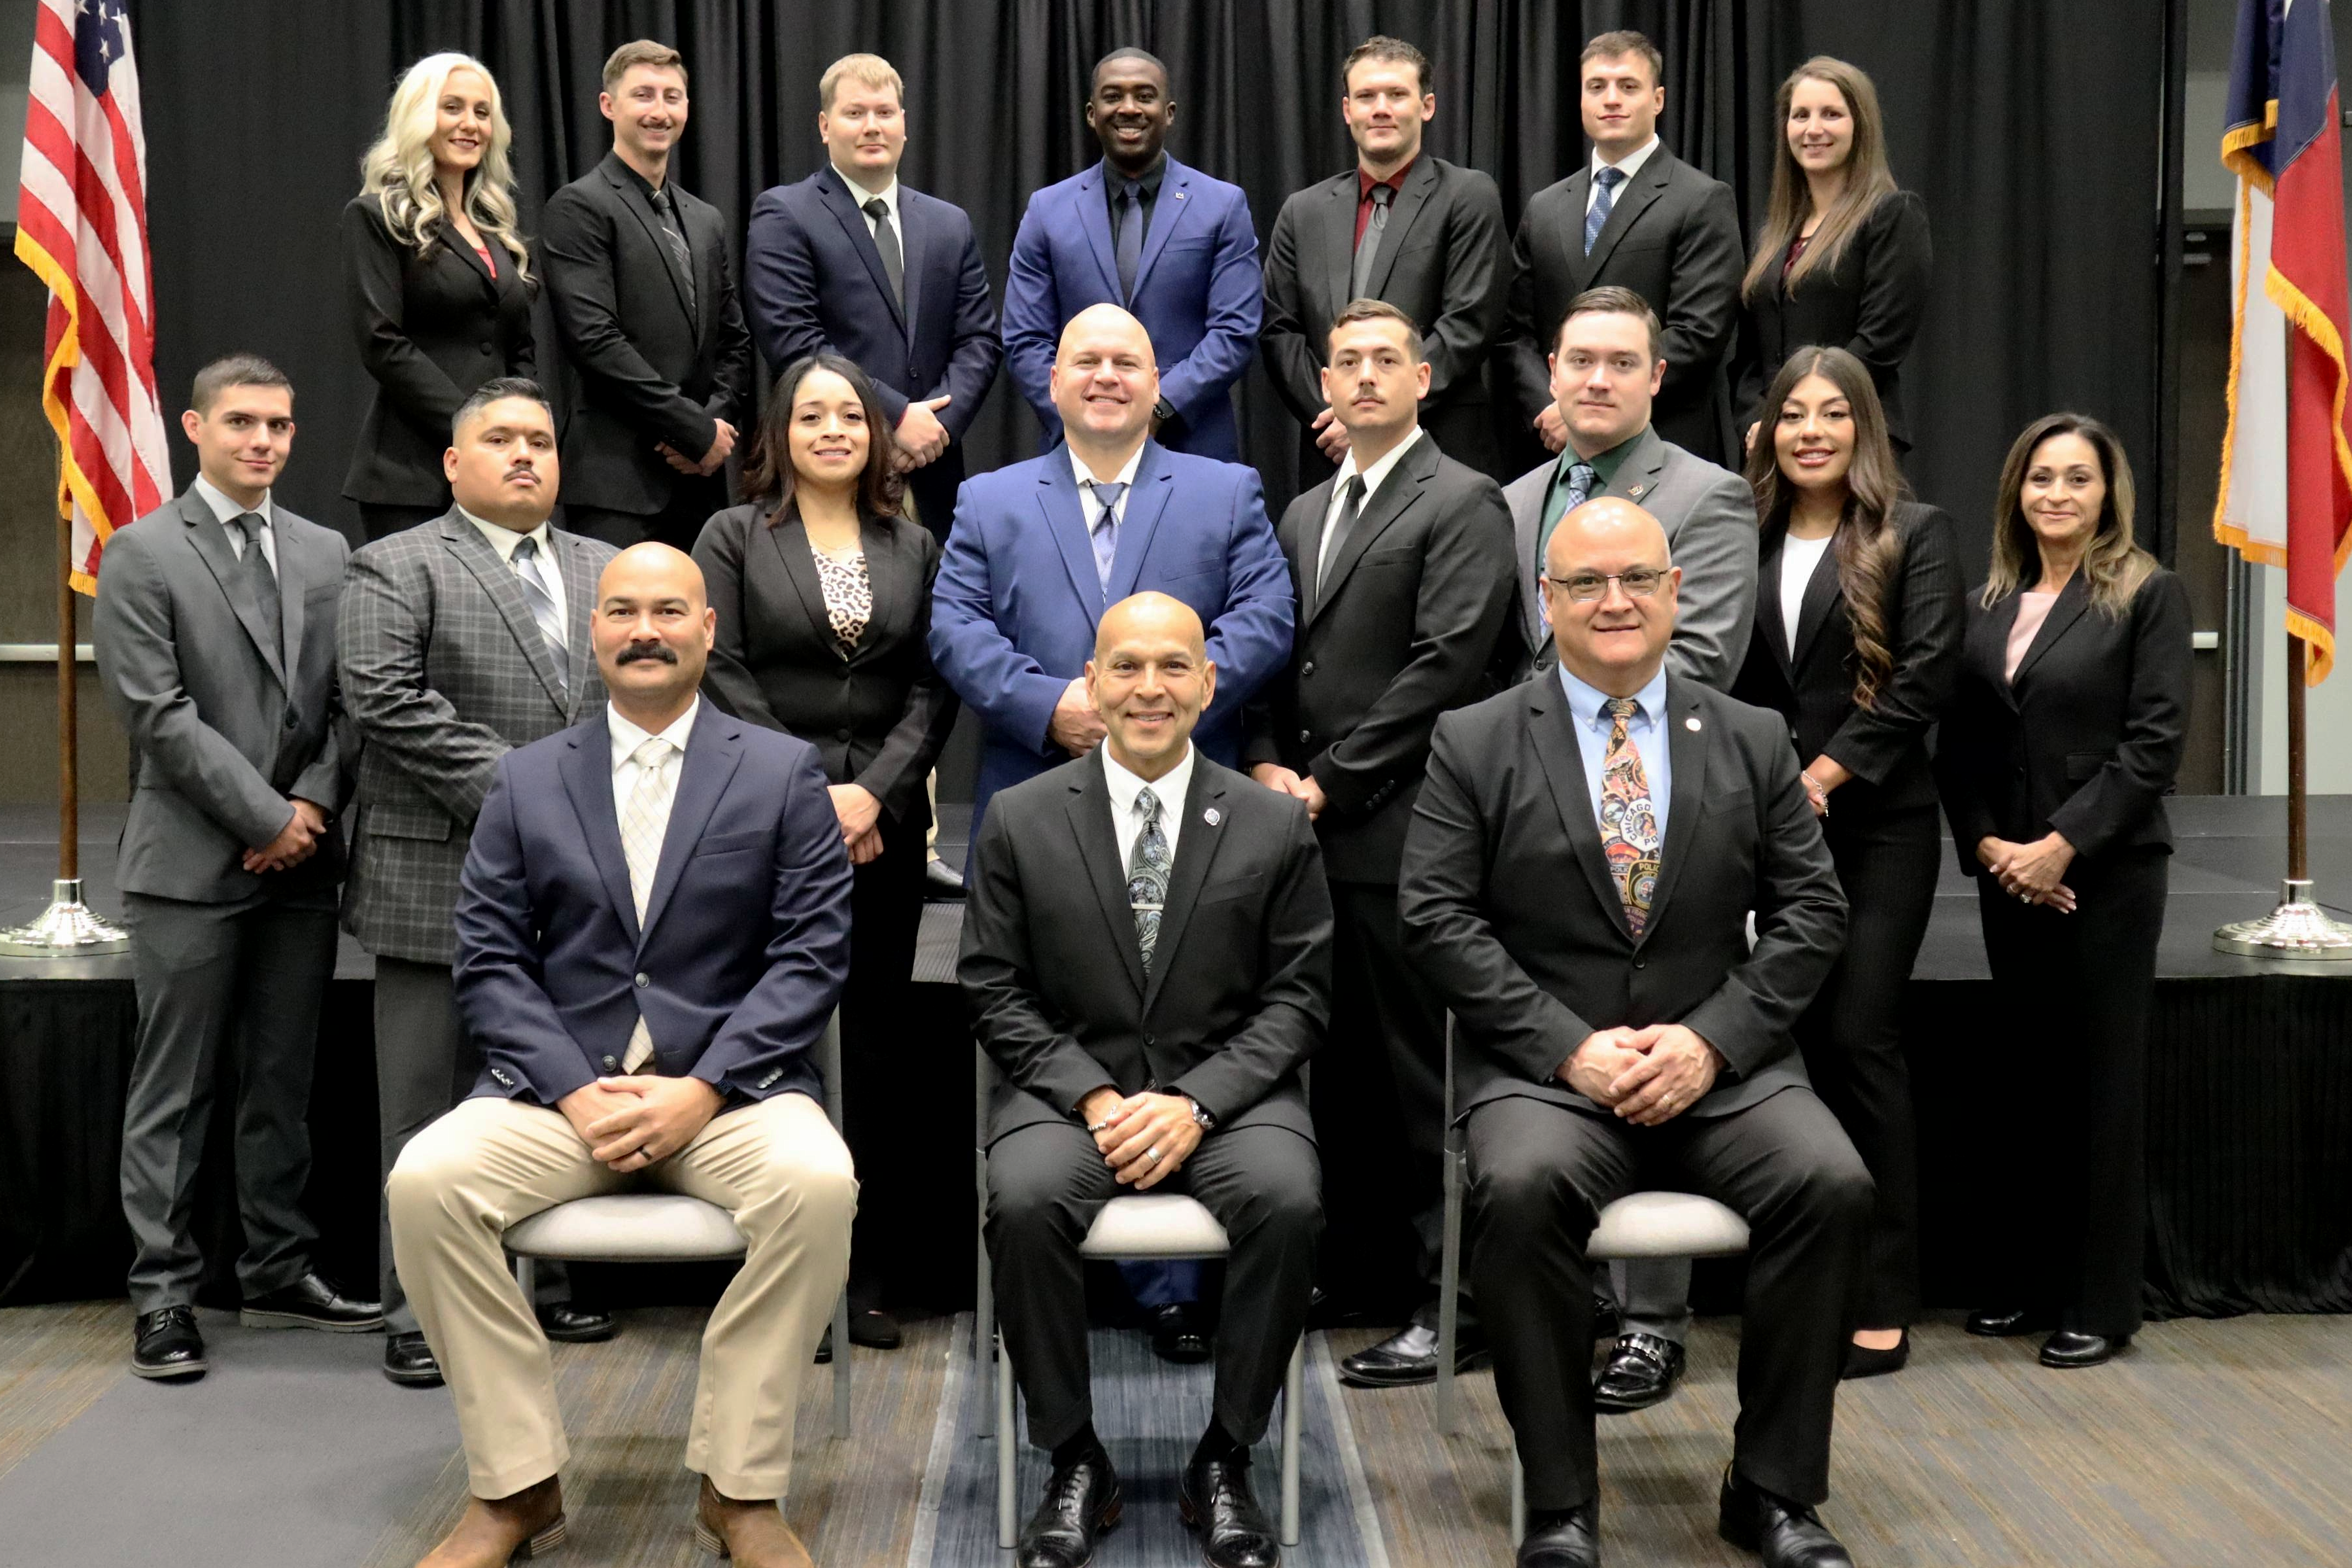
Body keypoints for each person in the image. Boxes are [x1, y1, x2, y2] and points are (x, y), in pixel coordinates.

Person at [1400, 496, 1868, 1568]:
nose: (1615, 602)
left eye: (1638, 580)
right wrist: (1570, 1045)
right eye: (1586, 584)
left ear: (1677, 592)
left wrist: (1710, 1042)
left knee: (1831, 1185)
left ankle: (1772, 1491)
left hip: (1723, 1071)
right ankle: (1560, 1502)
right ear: (1544, 601)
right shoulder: (1473, 742)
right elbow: (1433, 917)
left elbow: (1814, 913)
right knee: (1517, 1194)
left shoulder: (1751, 736)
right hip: (1550, 1075)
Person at [391, 543, 855, 1568]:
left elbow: (811, 958)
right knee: (426, 1181)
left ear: (707, 630)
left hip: (731, 1096)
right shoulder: (525, 779)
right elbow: (490, 960)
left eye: (668, 612)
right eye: (622, 612)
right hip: (561, 1098)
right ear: (592, 631)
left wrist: (704, 1088)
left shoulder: (782, 774)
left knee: (819, 1184)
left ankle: (740, 1490)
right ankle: (516, 1485)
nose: (645, 631)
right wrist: (568, 1088)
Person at [964, 591, 1329, 1568]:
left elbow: (1300, 1000)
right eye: (1125, 665)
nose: (1150, 687)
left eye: (1174, 666)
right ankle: (1075, 1454)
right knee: (1026, 1198)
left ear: (1210, 684)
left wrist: (1198, 1101)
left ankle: (1227, 1452)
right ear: (1091, 681)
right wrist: (1093, 1095)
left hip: (1231, 1095)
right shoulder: (1019, 817)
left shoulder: (1272, 823)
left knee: (1288, 1202)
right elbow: (993, 987)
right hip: (1069, 1094)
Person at [1240, 300, 1517, 1385]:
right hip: (1309, 835)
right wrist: (1267, 760)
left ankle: (1454, 1303)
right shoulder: (1309, 509)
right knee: (1341, 1077)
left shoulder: (1463, 500)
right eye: (1344, 361)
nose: (1361, 377)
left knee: (1420, 1083)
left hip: (1405, 832)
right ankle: (1360, 1273)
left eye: (1381, 362)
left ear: (1423, 378)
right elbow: (1274, 656)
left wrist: (1327, 783)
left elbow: (1446, 669)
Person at [96, 355, 378, 1381]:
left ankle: (277, 1270)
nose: (264, 441)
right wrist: (267, 814)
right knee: (174, 1094)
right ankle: (165, 1296)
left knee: (279, 1084)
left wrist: (306, 809)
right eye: (244, 423)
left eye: (281, 424)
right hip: (187, 869)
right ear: (196, 428)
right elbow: (158, 716)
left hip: (298, 866)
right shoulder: (140, 553)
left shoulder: (326, 551)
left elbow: (353, 700)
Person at [340, 379, 619, 1388]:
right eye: (499, 439)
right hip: (438, 885)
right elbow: (385, 702)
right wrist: (532, 796)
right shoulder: (394, 564)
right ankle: (419, 1309)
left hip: (583, 894)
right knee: (424, 1113)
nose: (524, 455)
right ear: (453, 464)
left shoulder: (606, 569)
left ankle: (544, 1282)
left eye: (540, 440)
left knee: (548, 1100)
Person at [693, 353, 958, 1354]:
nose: (836, 429)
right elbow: (720, 669)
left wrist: (871, 793)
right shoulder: (731, 535)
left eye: (852, 414)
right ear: (781, 434)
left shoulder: (914, 543)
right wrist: (814, 790)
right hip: (764, 821)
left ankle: (867, 1273)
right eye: (813, 415)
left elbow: (935, 686)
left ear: (875, 435)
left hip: (882, 832)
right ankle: (775, 1274)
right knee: (774, 1043)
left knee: (878, 1046)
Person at [1724, 347, 1964, 1382]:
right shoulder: (1745, 532)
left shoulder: (1918, 534)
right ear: (1770, 431)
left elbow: (1922, 682)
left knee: (1862, 1038)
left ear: (1864, 428)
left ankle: (1883, 1292)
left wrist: (1822, 774)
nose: (1812, 431)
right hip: (1765, 831)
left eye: (1833, 414)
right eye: (1793, 415)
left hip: (1878, 829)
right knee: (1795, 1051)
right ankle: (1799, 1282)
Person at [1934, 413, 2190, 1371]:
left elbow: (2154, 745)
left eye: (2077, 480)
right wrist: (1995, 847)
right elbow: (1960, 747)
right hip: (2012, 876)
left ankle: (2099, 1301)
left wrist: (2060, 847)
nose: (2057, 495)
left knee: (2101, 1086)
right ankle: (2031, 1281)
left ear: (2106, 493)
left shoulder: (2147, 593)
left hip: (2109, 876)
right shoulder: (1985, 602)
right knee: (2028, 1080)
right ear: (2017, 492)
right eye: (2041, 478)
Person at [931, 303, 1292, 838]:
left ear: (1155, 383)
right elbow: (955, 630)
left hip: (1191, 809)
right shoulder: (988, 502)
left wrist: (1169, 696)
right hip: (1033, 808)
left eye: (1125, 363)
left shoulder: (1227, 493)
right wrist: (1050, 707)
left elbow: (1267, 616)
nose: (1106, 376)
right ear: (1054, 383)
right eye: (1087, 362)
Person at [742, 52, 1003, 541]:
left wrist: (933, 431)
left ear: (904, 124)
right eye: (854, 113)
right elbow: (795, 340)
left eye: (885, 113)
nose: (872, 127)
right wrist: (898, 417)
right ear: (825, 126)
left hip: (933, 478)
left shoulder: (949, 224)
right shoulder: (785, 214)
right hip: (830, 474)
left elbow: (980, 341)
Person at [1261, 35, 1508, 480]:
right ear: (1347, 110)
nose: (1381, 108)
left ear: (1427, 106)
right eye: (1367, 96)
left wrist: (1377, 411)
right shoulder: (1303, 211)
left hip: (1439, 449)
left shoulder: (1468, 195)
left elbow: (1469, 322)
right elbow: (1280, 330)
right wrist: (1342, 413)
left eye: (1397, 95)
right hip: (1331, 452)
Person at [540, 40, 754, 550]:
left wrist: (711, 428)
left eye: (673, 97)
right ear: (608, 105)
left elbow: (736, 342)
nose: (660, 111)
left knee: (701, 630)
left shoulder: (706, 219)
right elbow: (596, 343)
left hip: (700, 485)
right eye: (644, 95)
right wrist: (694, 432)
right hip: (617, 484)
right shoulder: (578, 207)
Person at [1002, 47, 1261, 462]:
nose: (1129, 108)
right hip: (1076, 450)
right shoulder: (1047, 210)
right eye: (1113, 96)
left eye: (1144, 96)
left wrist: (1155, 409)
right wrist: (1087, 416)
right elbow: (1025, 339)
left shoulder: (1222, 206)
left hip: (1190, 446)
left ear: (1169, 112)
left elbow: (1235, 331)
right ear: (1091, 113)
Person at [1501, 30, 1743, 470]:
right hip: (1553, 447)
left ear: (1658, 99)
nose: (1611, 99)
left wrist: (1589, 403)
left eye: (1628, 86)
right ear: (1581, 100)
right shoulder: (1545, 206)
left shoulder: (1702, 199)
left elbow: (1698, 333)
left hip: (1662, 448)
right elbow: (1516, 333)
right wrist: (1558, 408)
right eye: (1597, 87)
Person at [1504, 287, 1755, 688]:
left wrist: (1554, 725)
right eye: (1582, 361)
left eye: (1622, 364)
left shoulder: (1711, 497)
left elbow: (1700, 661)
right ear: (1554, 374)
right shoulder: (1513, 501)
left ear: (1656, 376)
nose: (1599, 382)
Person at [343, 54, 539, 541]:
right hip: (410, 476)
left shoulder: (497, 230)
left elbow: (521, 348)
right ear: (419, 116)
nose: (470, 124)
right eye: (452, 108)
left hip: (496, 475)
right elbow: (382, 341)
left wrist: (518, 429)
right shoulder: (375, 216)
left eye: (481, 111)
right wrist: (475, 428)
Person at [1734, 58, 1932, 455]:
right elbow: (1751, 356)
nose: (1814, 129)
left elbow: (1879, 344)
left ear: (1860, 126)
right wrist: (1758, 421)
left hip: (1855, 436)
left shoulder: (1892, 215)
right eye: (1801, 115)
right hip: (1776, 444)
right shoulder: (1774, 235)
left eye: (1832, 115)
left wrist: (1796, 413)